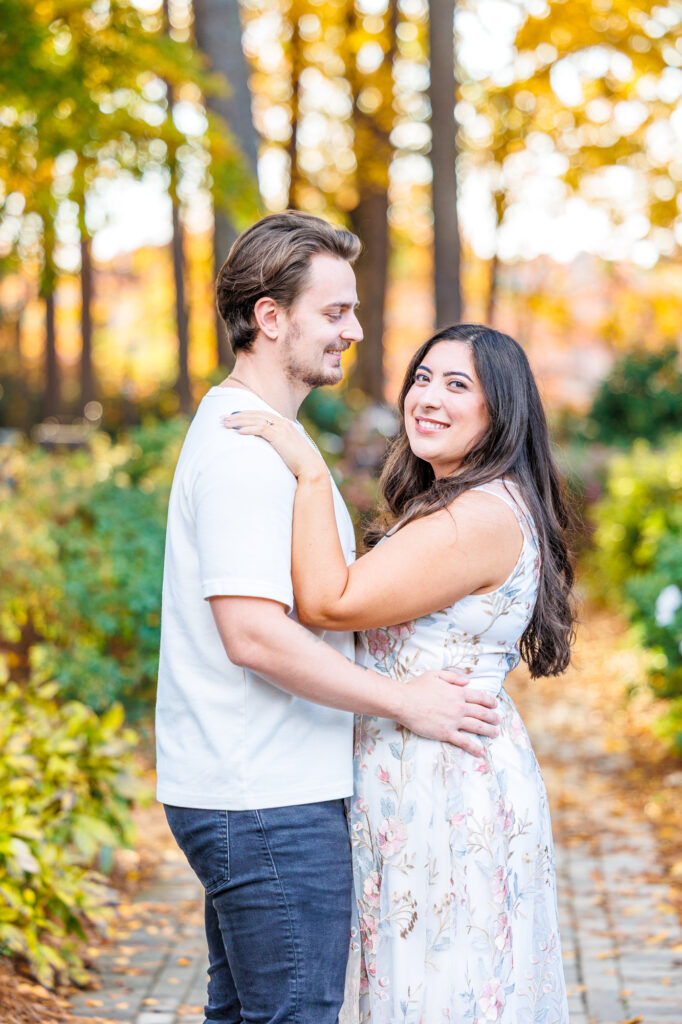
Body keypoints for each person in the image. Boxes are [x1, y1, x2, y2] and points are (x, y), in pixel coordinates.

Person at [155, 213, 500, 1024]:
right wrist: (406, 702)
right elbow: (252, 634)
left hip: (257, 787)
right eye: (335, 312)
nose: (355, 330)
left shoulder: (263, 438)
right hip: (266, 797)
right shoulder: (246, 453)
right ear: (271, 317)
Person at [224, 322, 576, 1024]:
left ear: (501, 410)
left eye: (457, 384)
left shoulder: (478, 516)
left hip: (444, 783)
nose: (429, 398)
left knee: (444, 994)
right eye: (422, 378)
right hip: (421, 771)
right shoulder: (463, 504)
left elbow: (331, 602)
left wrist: (310, 471)